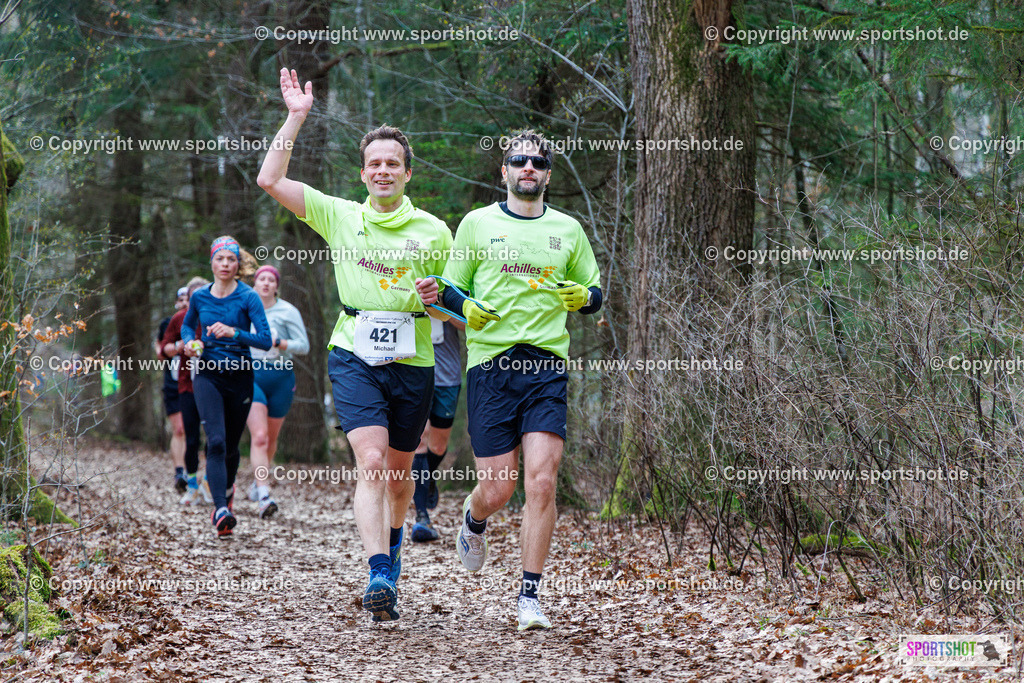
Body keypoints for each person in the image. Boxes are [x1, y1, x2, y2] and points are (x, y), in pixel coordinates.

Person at [257, 67, 452, 622]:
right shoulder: (339, 215)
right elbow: (270, 178)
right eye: (375, 164)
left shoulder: (436, 231)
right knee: (370, 459)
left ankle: (391, 552)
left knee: (398, 473)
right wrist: (295, 119)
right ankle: (377, 572)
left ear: (407, 173)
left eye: (393, 163)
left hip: (414, 358)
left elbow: (458, 307)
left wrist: (438, 296)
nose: (383, 171)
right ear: (363, 174)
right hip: (354, 353)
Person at [416, 130, 602, 630]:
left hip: (545, 364)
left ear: (547, 173)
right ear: (504, 171)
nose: (528, 168)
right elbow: (449, 291)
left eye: (538, 162)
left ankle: (530, 597)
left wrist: (582, 299)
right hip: (491, 366)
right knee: (498, 488)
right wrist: (465, 307)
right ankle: (474, 520)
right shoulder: (477, 224)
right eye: (518, 160)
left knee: (541, 480)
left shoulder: (568, 229)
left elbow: (595, 289)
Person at [182, 237, 272, 538]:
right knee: (216, 441)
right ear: (212, 263)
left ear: (237, 264)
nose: (225, 264)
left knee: (232, 446)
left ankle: (227, 492)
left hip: (240, 377)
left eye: (230, 260)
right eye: (219, 259)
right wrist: (190, 343)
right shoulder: (199, 297)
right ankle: (220, 509)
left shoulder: (248, 297)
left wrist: (235, 332)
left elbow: (265, 339)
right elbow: (187, 326)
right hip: (207, 374)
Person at [245, 264, 310, 519]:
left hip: (281, 377)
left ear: (276, 286)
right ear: (255, 283)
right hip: (251, 375)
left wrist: (279, 342)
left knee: (271, 440)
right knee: (259, 437)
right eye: (261, 279)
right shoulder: (244, 306)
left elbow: (303, 345)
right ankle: (264, 494)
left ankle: (258, 479)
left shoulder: (288, 311)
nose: (265, 284)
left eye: (271, 280)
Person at [159, 277, 214, 506]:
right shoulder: (180, 319)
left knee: (214, 438)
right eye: (194, 297)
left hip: (214, 384)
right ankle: (191, 485)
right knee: (191, 438)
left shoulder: (219, 318)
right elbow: (164, 350)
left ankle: (210, 483)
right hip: (187, 385)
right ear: (189, 300)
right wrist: (180, 346)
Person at [410, 317, 465, 542]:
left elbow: (469, 323)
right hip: (414, 371)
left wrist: (443, 307)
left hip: (447, 376)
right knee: (419, 439)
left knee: (439, 444)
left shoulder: (450, 283)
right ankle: (421, 517)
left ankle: (427, 476)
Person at [157, 287, 189, 492]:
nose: (184, 303)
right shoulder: (167, 323)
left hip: (196, 383)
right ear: (176, 303)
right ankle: (180, 472)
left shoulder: (202, 321)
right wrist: (178, 346)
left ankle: (194, 472)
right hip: (173, 383)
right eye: (181, 299)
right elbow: (161, 352)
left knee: (192, 430)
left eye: (188, 299)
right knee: (179, 429)